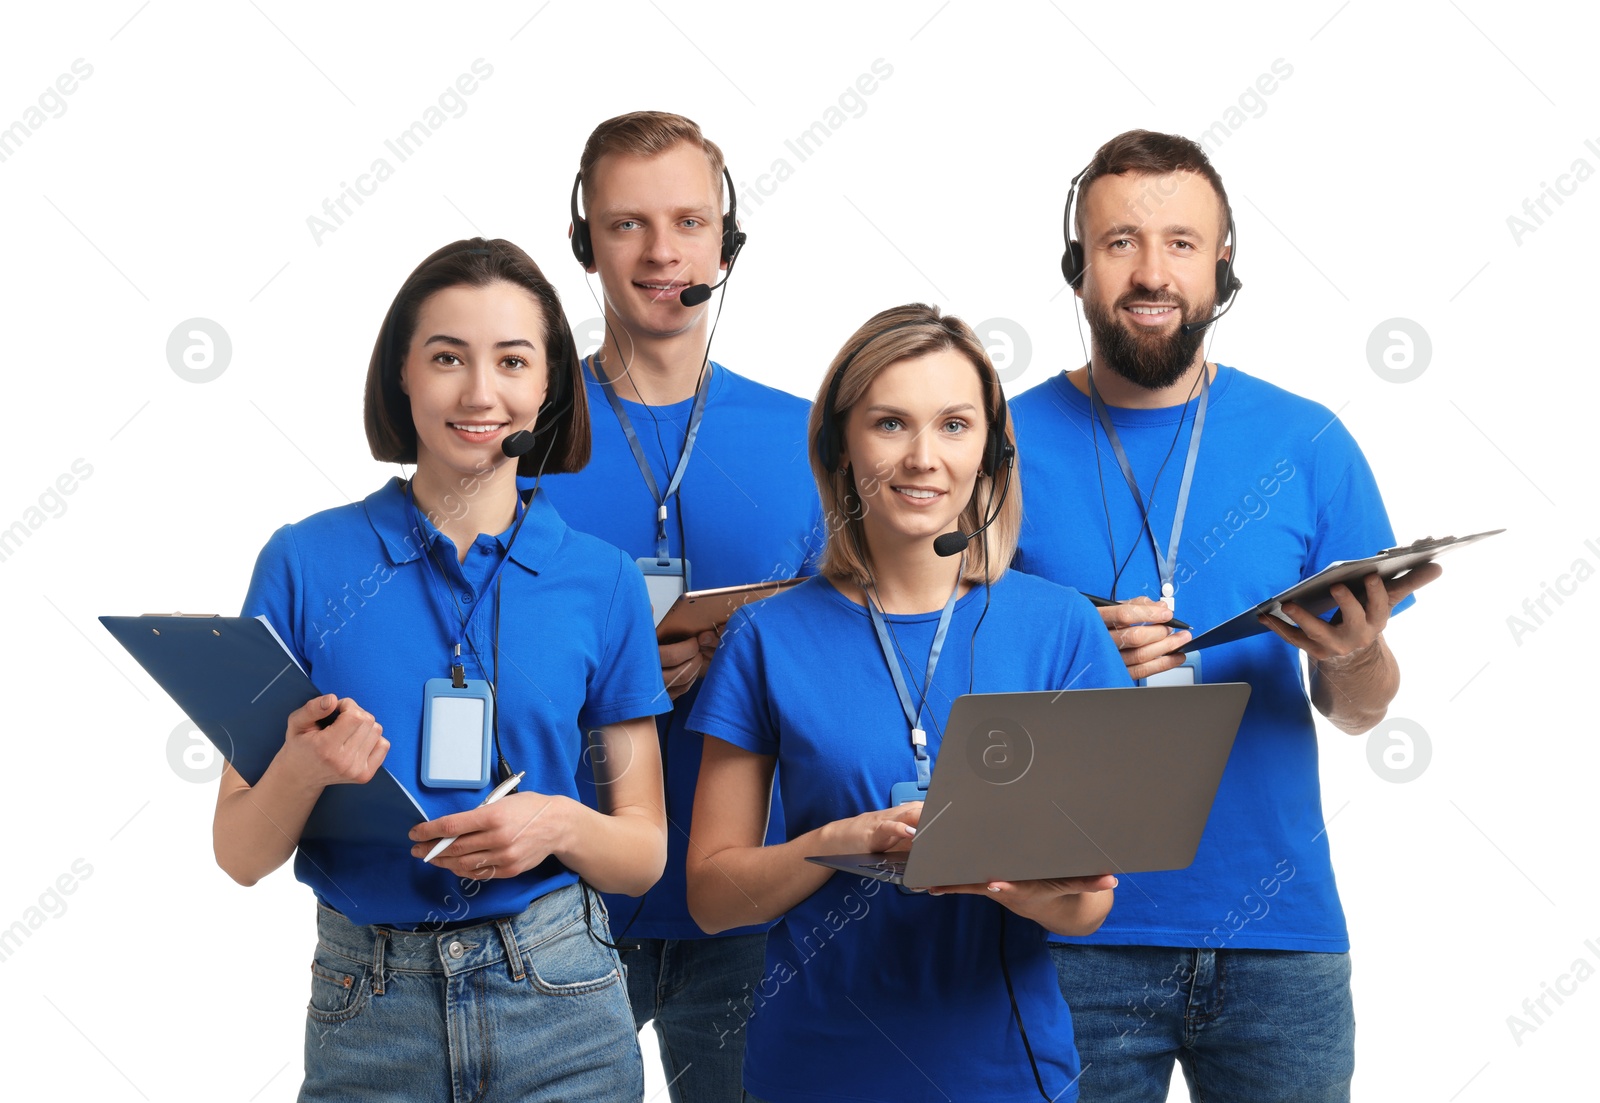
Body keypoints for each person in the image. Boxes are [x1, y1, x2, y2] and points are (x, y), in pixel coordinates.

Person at [1009, 130, 1441, 1102]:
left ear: (1222, 264)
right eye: (1119, 241)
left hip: (1277, 941)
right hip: (1068, 928)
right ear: (1077, 266)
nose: (1150, 271)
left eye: (1180, 243)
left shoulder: (1308, 439)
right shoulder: (989, 441)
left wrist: (1356, 652)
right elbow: (933, 666)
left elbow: (1362, 708)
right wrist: (1074, 653)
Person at [213, 238, 670, 1102]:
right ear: (403, 377)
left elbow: (643, 851)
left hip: (561, 1002)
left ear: (548, 387)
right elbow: (239, 851)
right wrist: (306, 767)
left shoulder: (603, 580)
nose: (479, 392)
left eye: (512, 360)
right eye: (447, 357)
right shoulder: (303, 564)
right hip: (367, 1010)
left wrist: (557, 823)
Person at [685, 304, 1131, 1103]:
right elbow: (713, 897)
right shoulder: (764, 635)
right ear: (840, 444)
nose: (924, 458)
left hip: (1004, 1075)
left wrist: (1027, 893)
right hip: (812, 1071)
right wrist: (834, 841)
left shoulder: (1061, 626)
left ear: (990, 451)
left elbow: (1090, 904)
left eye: (954, 425)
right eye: (891, 423)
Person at [538, 110, 823, 1101]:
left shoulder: (811, 439)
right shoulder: (510, 437)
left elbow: (865, 652)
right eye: (627, 224)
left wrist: (740, 652)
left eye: (689, 222)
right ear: (585, 243)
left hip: (752, 899)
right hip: (553, 904)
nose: (663, 251)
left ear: (724, 242)